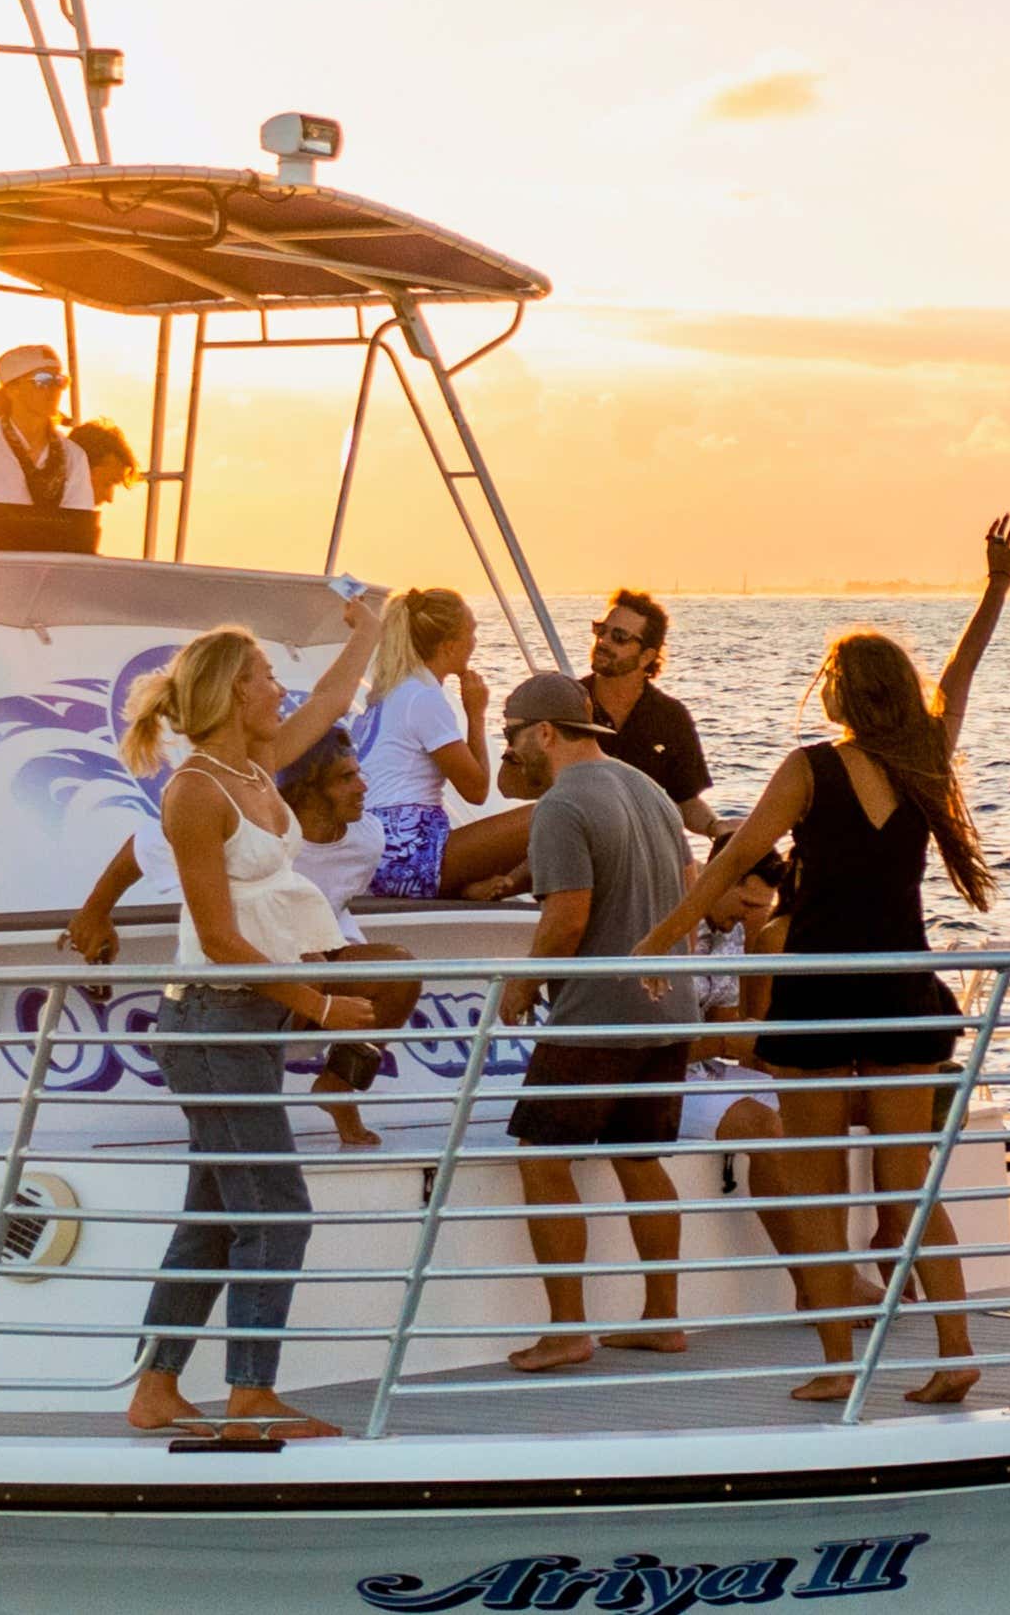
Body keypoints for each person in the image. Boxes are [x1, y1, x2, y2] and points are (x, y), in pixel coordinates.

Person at [639, 515, 1010, 1405]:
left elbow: (734, 862)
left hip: (817, 994)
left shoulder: (810, 769)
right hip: (899, 989)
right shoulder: (926, 757)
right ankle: (954, 1352)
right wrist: (997, 588)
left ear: (843, 693)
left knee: (816, 1189)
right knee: (910, 1190)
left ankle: (839, 1364)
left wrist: (664, 938)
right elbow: (960, 677)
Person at [86, 610, 388, 1441]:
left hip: (249, 1019)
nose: (277, 688)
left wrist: (369, 630)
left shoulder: (256, 766)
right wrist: (320, 1007)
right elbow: (218, 939)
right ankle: (251, 1395)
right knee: (277, 1206)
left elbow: (326, 702)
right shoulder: (194, 792)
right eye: (262, 677)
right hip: (212, 1022)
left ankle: (156, 1390)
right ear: (228, 691)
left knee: (218, 1213)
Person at [485, 672, 703, 1374]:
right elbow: (688, 887)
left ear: (543, 732)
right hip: (667, 1005)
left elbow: (567, 919)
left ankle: (568, 1328)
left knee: (542, 1159)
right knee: (642, 1159)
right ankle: (663, 1319)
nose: (511, 749)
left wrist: (521, 983)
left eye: (512, 734)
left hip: (595, 1014)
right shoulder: (647, 789)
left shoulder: (562, 803)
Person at [431, 588, 726, 882]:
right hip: (566, 841)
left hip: (633, 855)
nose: (604, 642)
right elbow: (508, 787)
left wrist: (716, 827)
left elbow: (686, 801)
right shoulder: (562, 703)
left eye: (619, 637)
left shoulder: (671, 718)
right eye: (601, 631)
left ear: (647, 656)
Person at [345, 589, 490, 900]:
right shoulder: (422, 697)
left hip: (375, 851)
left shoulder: (391, 692)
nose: (474, 643)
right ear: (449, 645)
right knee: (543, 817)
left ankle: (471, 889)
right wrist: (476, 714)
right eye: (471, 633)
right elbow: (476, 791)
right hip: (402, 855)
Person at [0, 346, 101, 554]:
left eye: (59, 381)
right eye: (42, 380)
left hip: (47, 576)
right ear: (12, 389)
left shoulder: (74, 456)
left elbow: (79, 533)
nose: (54, 390)